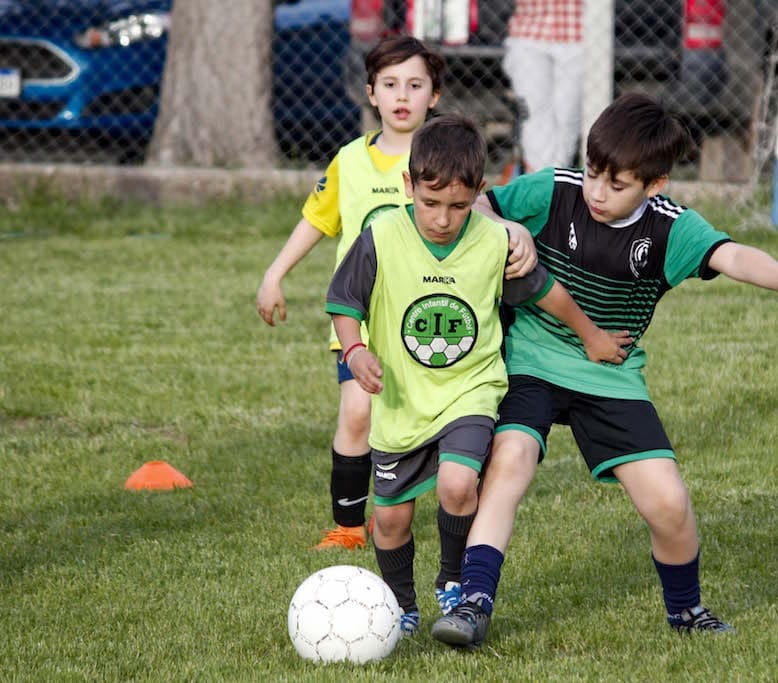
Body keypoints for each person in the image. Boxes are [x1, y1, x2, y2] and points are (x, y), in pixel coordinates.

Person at [429, 93, 778, 648]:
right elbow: (479, 204)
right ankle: (474, 602)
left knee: (668, 501)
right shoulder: (556, 189)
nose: (596, 191)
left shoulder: (671, 228)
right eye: (594, 173)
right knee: (510, 464)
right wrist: (509, 227)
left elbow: (732, 255)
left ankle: (687, 611)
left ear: (655, 184)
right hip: (531, 355)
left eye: (616, 184)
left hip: (610, 371)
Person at [325, 114, 631, 634]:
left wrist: (589, 333)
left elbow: (544, 290)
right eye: (430, 203)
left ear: (479, 194)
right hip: (402, 399)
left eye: (458, 206)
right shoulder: (379, 239)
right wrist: (354, 351)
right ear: (408, 186)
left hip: (471, 389)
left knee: (459, 483)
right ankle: (402, 607)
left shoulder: (493, 243)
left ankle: (454, 581)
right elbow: (344, 303)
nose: (443, 219)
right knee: (393, 519)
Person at [256, 36, 537, 552]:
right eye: (390, 85)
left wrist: (512, 229)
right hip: (362, 321)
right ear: (371, 93)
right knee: (358, 413)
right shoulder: (349, 161)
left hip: (430, 321)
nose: (402, 95)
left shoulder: (442, 158)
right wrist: (275, 275)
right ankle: (346, 525)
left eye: (415, 84)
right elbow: (315, 221)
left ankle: (439, 491)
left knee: (421, 417)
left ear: (434, 95)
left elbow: (478, 210)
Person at [502, 0, 583, 172]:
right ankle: (541, 180)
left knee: (568, 114)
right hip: (528, 29)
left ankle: (558, 175)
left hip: (578, 31)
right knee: (533, 112)